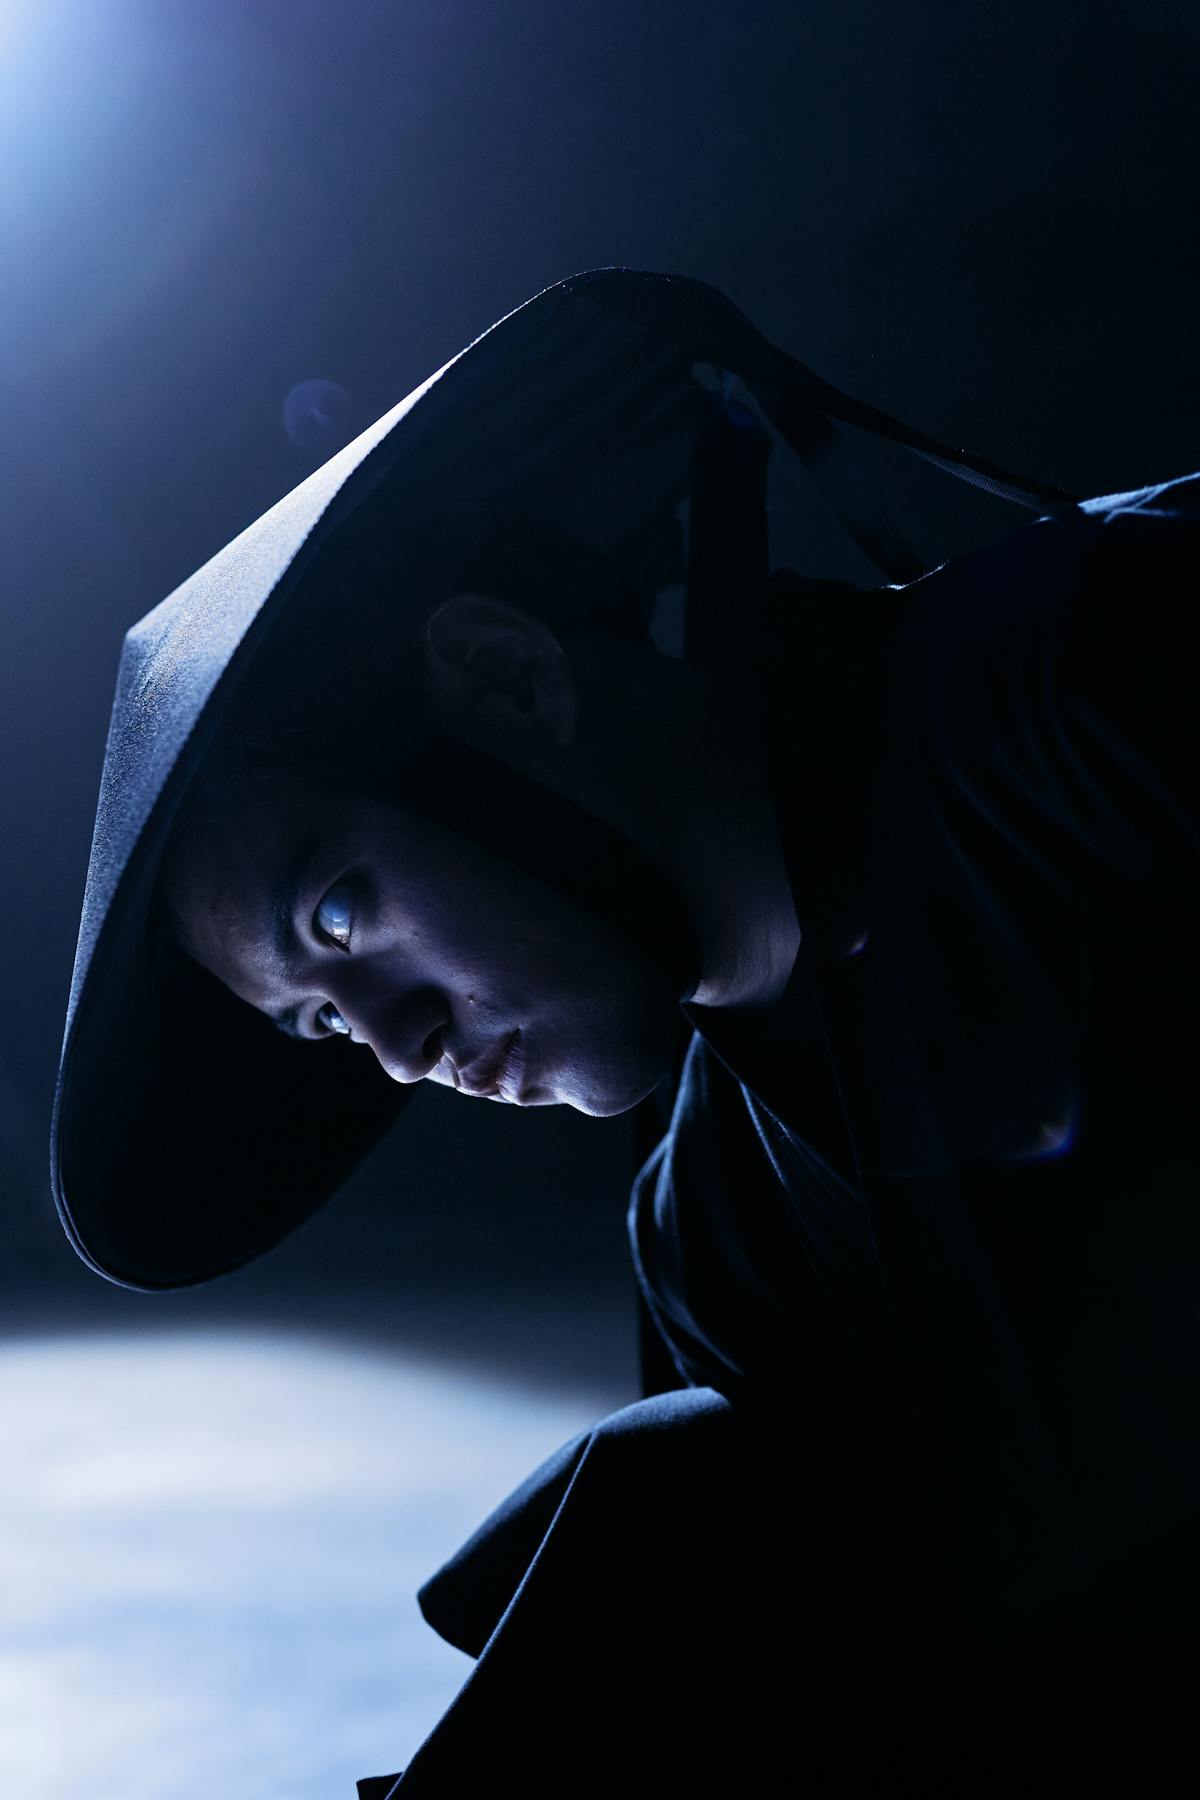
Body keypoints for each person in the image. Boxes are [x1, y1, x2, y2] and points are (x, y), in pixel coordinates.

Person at [51, 269, 1199, 1790]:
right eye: (322, 1024)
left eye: (336, 916)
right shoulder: (719, 1241)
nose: (393, 1046)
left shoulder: (1099, 677)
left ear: (510, 677)